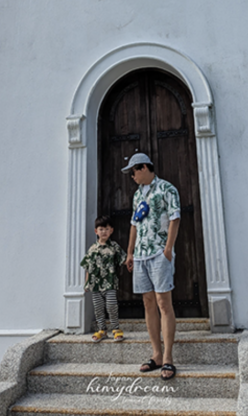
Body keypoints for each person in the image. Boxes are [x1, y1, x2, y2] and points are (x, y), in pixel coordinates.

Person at [122, 152, 181, 380]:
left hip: (159, 254)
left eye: (133, 171)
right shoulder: (138, 195)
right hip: (141, 256)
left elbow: (175, 218)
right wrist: (130, 252)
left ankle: (168, 357)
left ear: (144, 167)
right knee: (148, 303)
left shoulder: (167, 188)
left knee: (163, 303)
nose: (132, 176)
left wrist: (168, 249)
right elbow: (134, 224)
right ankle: (156, 354)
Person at [80, 214, 126, 342]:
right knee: (98, 308)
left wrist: (130, 263)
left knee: (111, 305)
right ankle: (102, 330)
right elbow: (88, 267)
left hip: (110, 283)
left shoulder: (114, 247)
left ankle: (116, 328)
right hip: (95, 284)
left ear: (111, 230)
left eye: (106, 229)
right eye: (101, 229)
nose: (104, 232)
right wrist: (86, 283)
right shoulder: (92, 249)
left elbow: (124, 259)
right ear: (96, 231)